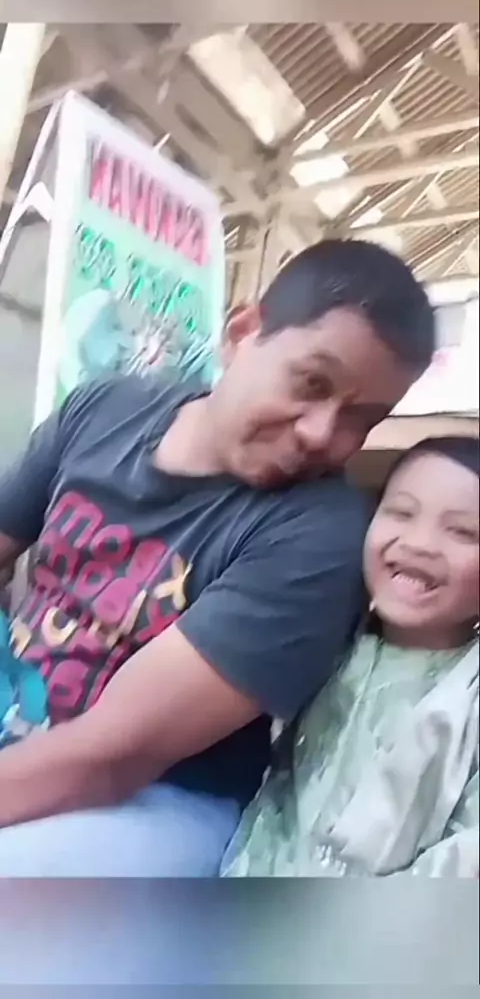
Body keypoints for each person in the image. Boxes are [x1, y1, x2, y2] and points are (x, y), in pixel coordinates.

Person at [0, 238, 434, 877]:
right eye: (311, 383)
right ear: (242, 334)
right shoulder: (103, 412)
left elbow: (113, 756)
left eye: (361, 419)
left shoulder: (319, 536)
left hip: (155, 800)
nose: (322, 433)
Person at [222, 436, 479, 878]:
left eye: (464, 532)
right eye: (401, 512)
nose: (420, 543)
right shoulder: (321, 643)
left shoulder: (468, 693)